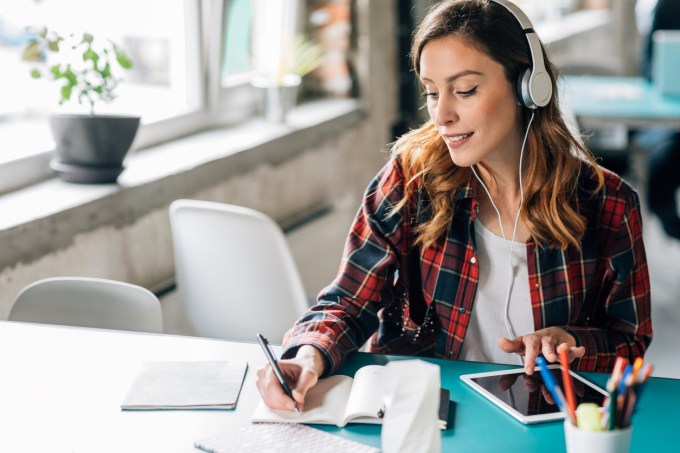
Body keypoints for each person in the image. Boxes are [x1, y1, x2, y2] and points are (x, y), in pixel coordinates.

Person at [256, 0, 653, 412]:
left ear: (528, 87)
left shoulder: (609, 204)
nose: (441, 114)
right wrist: (306, 356)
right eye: (431, 92)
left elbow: (630, 342)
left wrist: (574, 342)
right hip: (423, 415)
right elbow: (349, 301)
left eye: (464, 90)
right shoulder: (409, 180)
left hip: (544, 425)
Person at [635, 0, 680, 239]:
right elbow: (649, 64)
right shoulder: (669, 7)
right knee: (663, 154)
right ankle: (669, 221)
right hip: (667, 116)